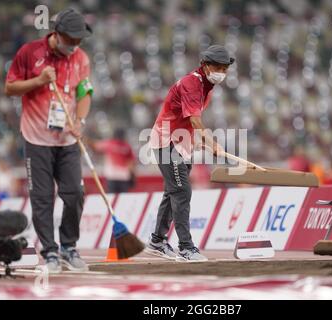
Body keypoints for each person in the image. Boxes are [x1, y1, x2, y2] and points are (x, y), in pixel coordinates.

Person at [4, 8, 93, 273]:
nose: (75, 45)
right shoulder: (30, 53)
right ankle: (50, 252)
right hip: (36, 139)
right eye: (71, 40)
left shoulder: (81, 58)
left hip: (66, 140)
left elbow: (85, 93)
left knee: (75, 193)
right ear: (57, 33)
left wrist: (80, 121)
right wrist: (38, 80)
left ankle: (69, 246)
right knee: (42, 198)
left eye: (79, 41)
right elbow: (9, 87)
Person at [147, 45, 233, 261]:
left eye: (225, 69)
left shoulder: (206, 88)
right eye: (218, 68)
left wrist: (198, 142)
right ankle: (186, 247)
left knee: (173, 191)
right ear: (204, 65)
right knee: (182, 191)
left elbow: (188, 122)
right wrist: (212, 144)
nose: (221, 73)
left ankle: (157, 241)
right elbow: (195, 119)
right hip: (166, 142)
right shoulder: (192, 83)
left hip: (180, 143)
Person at [91, 128, 136, 193]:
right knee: (123, 199)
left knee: (111, 198)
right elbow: (131, 164)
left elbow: (95, 146)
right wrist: (133, 177)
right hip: (124, 177)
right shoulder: (127, 147)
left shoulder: (109, 144)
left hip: (111, 176)